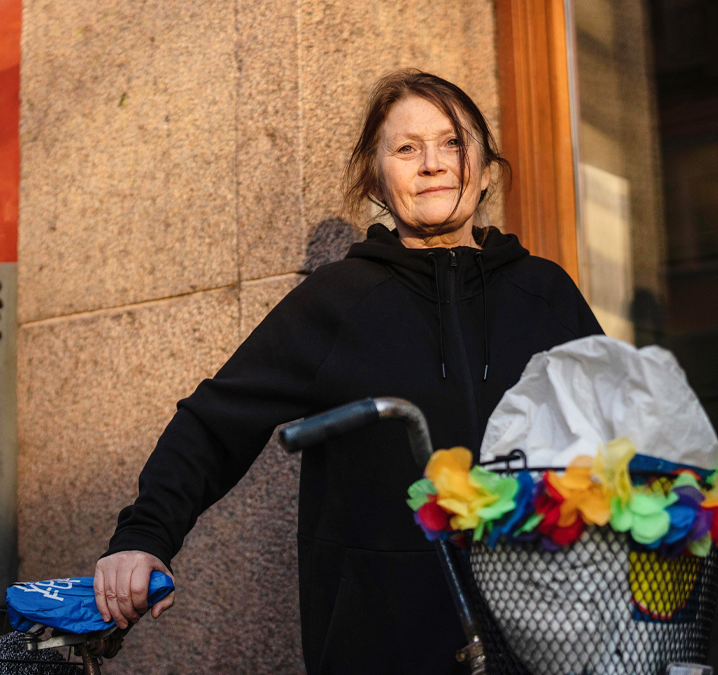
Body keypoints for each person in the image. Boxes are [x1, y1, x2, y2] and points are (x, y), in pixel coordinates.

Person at [92, 69, 604, 673]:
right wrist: (142, 537)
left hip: (544, 641)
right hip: (383, 642)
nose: (433, 164)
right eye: (406, 148)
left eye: (453, 143)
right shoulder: (338, 300)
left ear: (486, 169)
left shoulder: (545, 293)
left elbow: (621, 437)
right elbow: (213, 423)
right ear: (377, 181)